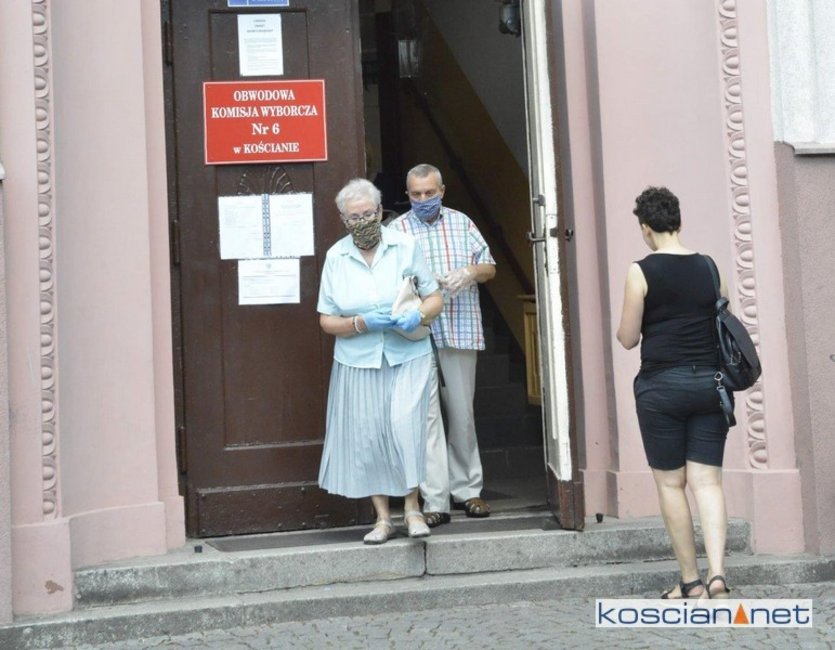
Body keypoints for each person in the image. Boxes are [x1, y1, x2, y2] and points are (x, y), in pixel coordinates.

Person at [616, 186, 732, 600]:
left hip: (662, 387)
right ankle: (718, 574)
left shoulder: (640, 271)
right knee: (708, 482)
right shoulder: (709, 267)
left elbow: (628, 337)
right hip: (709, 385)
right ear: (679, 221)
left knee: (671, 484)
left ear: (646, 228)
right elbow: (724, 320)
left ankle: (691, 581)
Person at [317, 178, 443, 544]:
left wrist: (418, 315)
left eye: (369, 214)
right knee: (368, 436)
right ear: (344, 220)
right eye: (354, 217)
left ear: (380, 210)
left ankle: (413, 509)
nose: (363, 221)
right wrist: (359, 323)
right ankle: (383, 519)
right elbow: (326, 320)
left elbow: (434, 297)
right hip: (357, 360)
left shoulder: (405, 246)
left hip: (408, 353)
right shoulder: (336, 257)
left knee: (406, 429)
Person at [391, 164, 496, 526]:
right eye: (416, 194)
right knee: (427, 416)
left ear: (442, 191)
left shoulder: (462, 223)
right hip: (416, 332)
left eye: (429, 193)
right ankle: (435, 499)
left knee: (462, 411)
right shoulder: (397, 230)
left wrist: (469, 272)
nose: (423, 199)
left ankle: (468, 489)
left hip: (460, 325)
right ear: (407, 194)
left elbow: (489, 266)